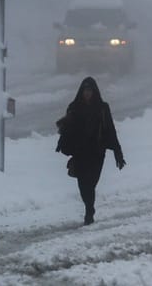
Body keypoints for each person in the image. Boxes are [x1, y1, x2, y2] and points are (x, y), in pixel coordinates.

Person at [56, 76, 126, 225]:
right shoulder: (74, 107)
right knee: (83, 184)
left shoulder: (102, 108)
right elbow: (67, 129)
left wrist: (117, 152)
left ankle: (89, 211)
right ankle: (89, 208)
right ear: (81, 92)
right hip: (80, 152)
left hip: (97, 153)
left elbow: (110, 131)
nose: (87, 94)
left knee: (91, 183)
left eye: (90, 91)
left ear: (94, 92)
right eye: (85, 91)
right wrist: (62, 143)